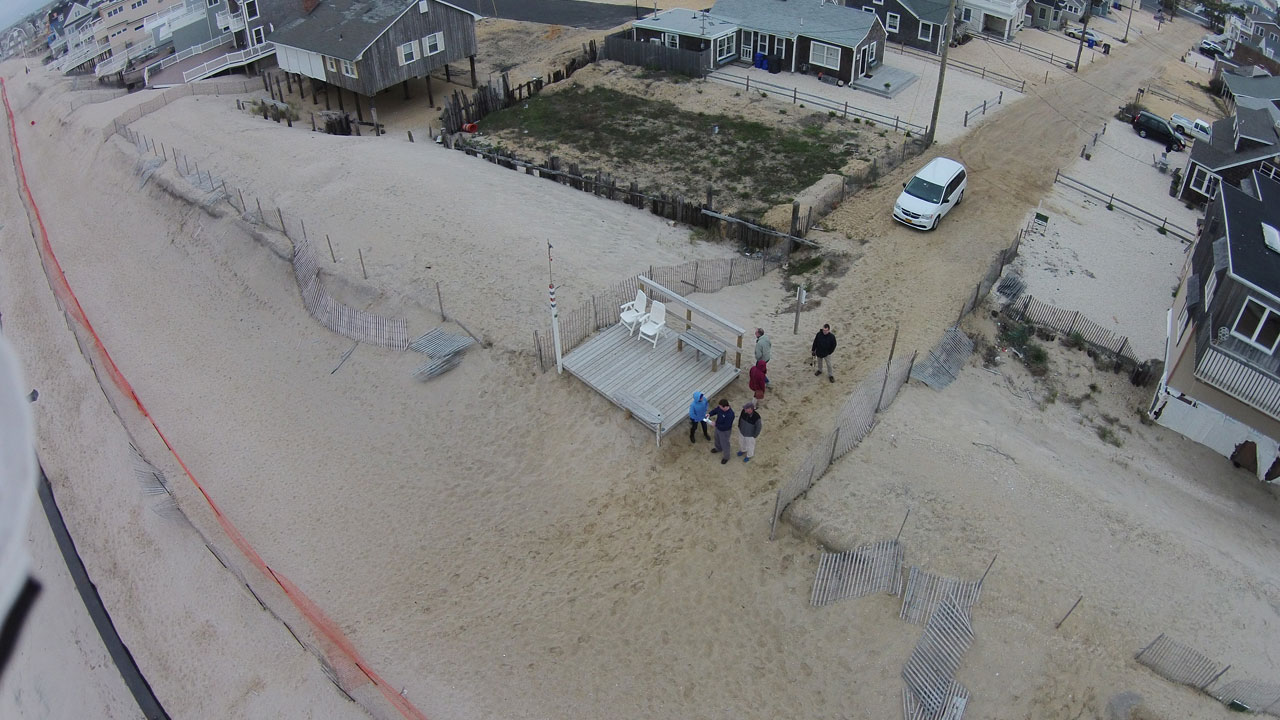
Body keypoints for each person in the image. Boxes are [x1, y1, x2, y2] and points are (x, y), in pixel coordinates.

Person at [707, 399, 735, 464]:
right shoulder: (720, 408)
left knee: (725, 443)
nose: (719, 408)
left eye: (720, 407)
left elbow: (726, 426)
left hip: (725, 431)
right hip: (718, 428)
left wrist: (716, 424)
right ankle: (718, 448)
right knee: (717, 439)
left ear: (725, 407)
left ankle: (726, 457)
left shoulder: (730, 414)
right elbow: (715, 410)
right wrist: (709, 414)